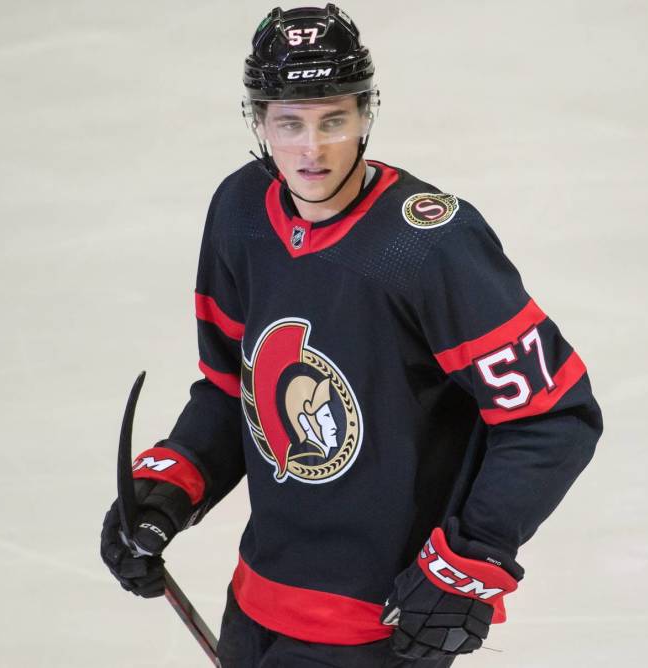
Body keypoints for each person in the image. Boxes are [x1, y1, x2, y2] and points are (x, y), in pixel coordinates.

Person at [100, 4, 603, 666]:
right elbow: (232, 391)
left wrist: (473, 554)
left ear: (367, 114)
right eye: (290, 123)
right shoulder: (240, 214)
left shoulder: (427, 247)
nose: (312, 148)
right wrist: (174, 483)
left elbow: (552, 418)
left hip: (376, 632)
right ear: (258, 122)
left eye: (333, 119)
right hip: (256, 604)